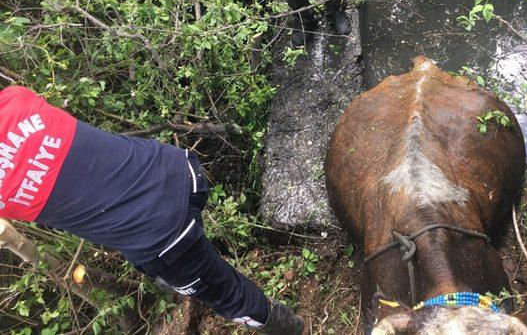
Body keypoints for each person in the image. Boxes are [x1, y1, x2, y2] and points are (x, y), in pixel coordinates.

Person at [0, 85, 304, 335]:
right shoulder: (16, 98)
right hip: (181, 170)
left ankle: (288, 327)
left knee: (220, 291)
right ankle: (193, 264)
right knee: (178, 258)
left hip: (163, 237)